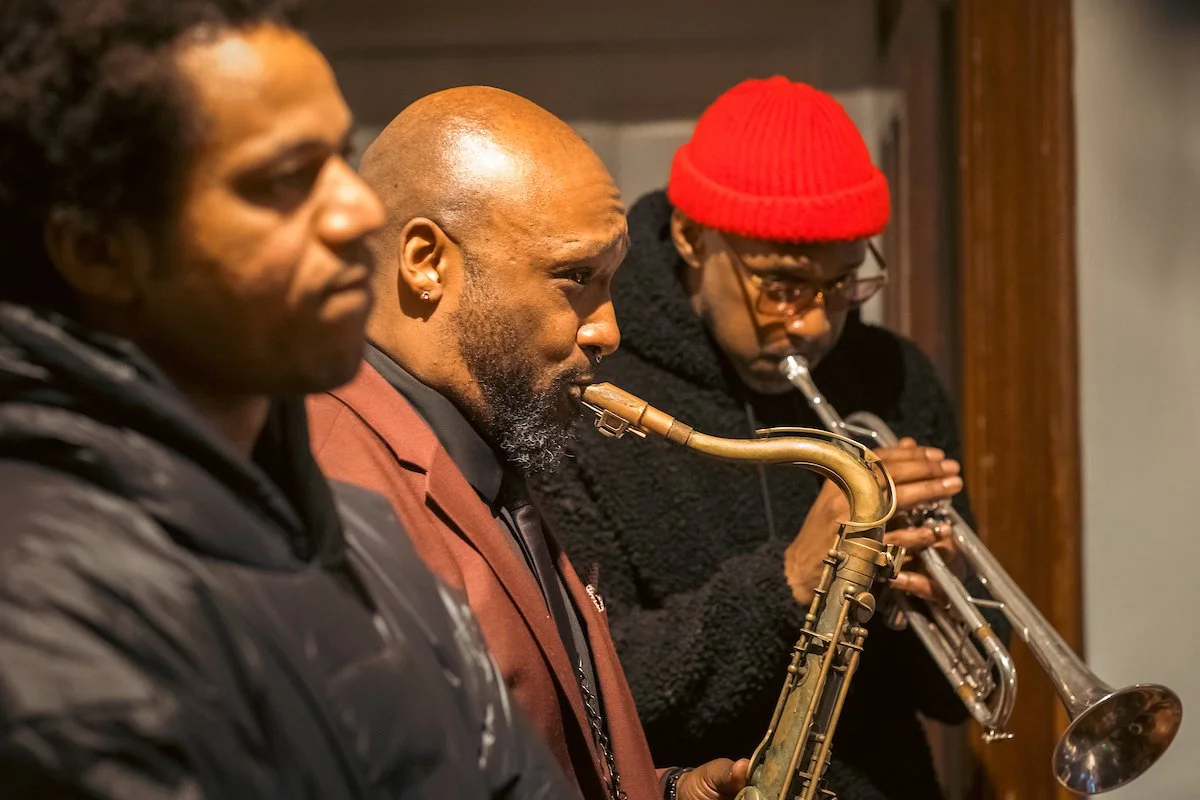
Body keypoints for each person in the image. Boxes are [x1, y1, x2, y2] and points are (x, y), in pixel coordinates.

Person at [0, 3, 576, 798]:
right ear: (99, 251)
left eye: (339, 159)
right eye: (282, 181)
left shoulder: (357, 534)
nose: (358, 214)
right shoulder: (41, 611)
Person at [310, 86, 890, 800]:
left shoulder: (488, 434)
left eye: (610, 283)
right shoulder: (333, 490)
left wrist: (665, 792)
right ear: (427, 260)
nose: (607, 331)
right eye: (576, 278)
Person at [529, 76, 1010, 800]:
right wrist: (787, 583)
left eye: (845, 284)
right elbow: (597, 688)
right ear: (693, 238)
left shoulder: (893, 376)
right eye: (780, 285)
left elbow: (954, 700)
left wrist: (935, 597)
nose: (814, 323)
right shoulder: (596, 391)